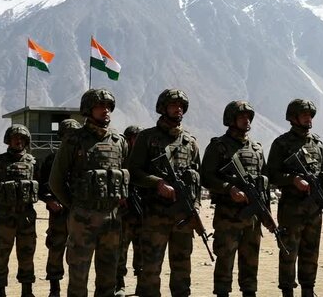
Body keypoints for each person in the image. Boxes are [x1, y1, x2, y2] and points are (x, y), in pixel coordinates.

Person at [49, 88, 129, 297]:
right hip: (83, 217)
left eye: (108, 107)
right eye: (100, 106)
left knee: (108, 274)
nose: (106, 111)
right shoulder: (74, 140)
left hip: (111, 219)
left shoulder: (118, 141)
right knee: (78, 274)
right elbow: (56, 180)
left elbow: (125, 174)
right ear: (88, 110)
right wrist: (74, 206)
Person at [129, 89, 201, 297]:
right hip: (155, 215)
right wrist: (157, 183)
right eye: (173, 105)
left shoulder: (190, 142)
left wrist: (194, 208)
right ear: (163, 108)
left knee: (182, 267)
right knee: (151, 267)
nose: (177, 109)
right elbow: (133, 172)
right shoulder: (147, 138)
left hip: (183, 217)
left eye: (180, 106)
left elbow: (197, 178)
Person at [201, 101, 269, 297]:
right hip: (228, 216)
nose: (246, 121)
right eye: (241, 117)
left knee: (251, 260)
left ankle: (250, 292)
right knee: (225, 259)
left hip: (252, 218)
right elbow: (206, 176)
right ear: (231, 120)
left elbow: (264, 181)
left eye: (248, 117)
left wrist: (265, 213)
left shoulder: (256, 148)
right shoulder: (218, 146)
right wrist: (228, 188)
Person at [266, 99, 323, 297]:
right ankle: (287, 291)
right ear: (293, 118)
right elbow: (272, 175)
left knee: (311, 252)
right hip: (292, 209)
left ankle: (308, 289)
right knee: (288, 252)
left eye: (310, 115)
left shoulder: (317, 143)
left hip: (314, 209)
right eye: (304, 115)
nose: (308, 118)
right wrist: (293, 180)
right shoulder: (282, 144)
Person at [0, 124, 39, 297]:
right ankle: (0, 290)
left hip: (26, 218)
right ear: (8, 140)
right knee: (1, 254)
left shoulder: (32, 162)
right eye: (15, 138)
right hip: (4, 218)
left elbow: (41, 186)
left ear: (26, 141)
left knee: (27, 254)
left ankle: (27, 291)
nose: (18, 141)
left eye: (22, 138)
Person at [39, 119, 82, 297]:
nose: (70, 138)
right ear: (61, 136)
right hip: (59, 213)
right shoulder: (51, 158)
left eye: (74, 135)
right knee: (56, 249)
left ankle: (76, 287)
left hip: (78, 213)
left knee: (79, 251)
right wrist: (49, 200)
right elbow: (41, 187)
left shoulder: (83, 157)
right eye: (67, 135)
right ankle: (54, 288)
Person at [115, 125, 143, 296]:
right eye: (133, 138)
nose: (136, 141)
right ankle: (120, 284)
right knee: (121, 252)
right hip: (124, 215)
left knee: (142, 251)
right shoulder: (121, 159)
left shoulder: (145, 159)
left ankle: (141, 283)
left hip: (142, 214)